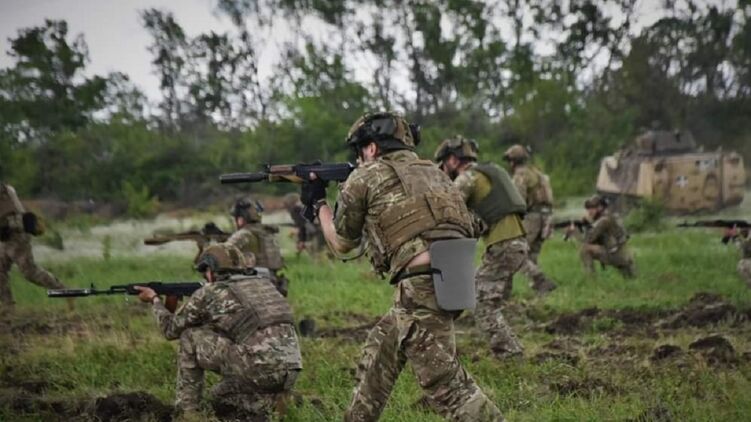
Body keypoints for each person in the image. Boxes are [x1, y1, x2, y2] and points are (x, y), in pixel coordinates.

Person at [302, 112, 503, 421]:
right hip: (457, 278)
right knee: (380, 354)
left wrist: (320, 205)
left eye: (361, 152)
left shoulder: (366, 176)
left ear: (370, 148)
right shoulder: (436, 173)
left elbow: (342, 244)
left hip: (422, 284)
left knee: (448, 387)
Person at [134, 243, 302, 420]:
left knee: (189, 337)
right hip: (290, 369)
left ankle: (189, 411)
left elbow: (169, 329)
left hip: (256, 366)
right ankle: (277, 401)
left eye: (205, 272)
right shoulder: (265, 285)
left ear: (212, 270)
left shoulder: (210, 292)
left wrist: (154, 300)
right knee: (218, 394)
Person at [434, 135, 527, 358]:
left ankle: (510, 354)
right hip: (517, 243)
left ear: (453, 160)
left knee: (482, 301)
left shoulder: (466, 179)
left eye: (444, 163)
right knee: (479, 291)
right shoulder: (491, 172)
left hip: (503, 246)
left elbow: (445, 212)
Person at [0, 182, 71, 313]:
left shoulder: (5, 190)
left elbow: (11, 210)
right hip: (5, 236)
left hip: (17, 235)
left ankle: (65, 291)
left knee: (29, 272)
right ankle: (8, 308)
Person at [503, 144, 557, 294]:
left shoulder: (520, 175)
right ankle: (540, 290)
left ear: (513, 161)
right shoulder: (538, 173)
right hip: (546, 217)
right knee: (532, 254)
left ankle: (540, 279)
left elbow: (518, 200)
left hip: (532, 217)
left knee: (515, 253)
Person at [226, 198, 288, 296]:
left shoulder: (244, 234)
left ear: (240, 219)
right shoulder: (266, 232)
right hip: (273, 281)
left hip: (255, 283)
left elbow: (223, 252)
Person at [572, 195, 635, 278]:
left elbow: (587, 240)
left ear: (600, 207)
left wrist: (576, 231)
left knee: (585, 249)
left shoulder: (603, 220)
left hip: (617, 255)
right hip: (623, 255)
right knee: (631, 279)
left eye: (593, 208)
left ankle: (590, 281)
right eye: (588, 208)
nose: (589, 211)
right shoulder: (610, 216)